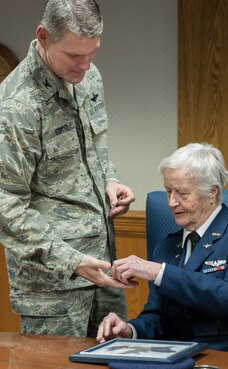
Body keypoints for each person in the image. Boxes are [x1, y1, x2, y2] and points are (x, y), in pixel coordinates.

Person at [0, 0, 137, 337]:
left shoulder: (88, 79)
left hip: (104, 268)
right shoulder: (17, 107)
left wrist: (110, 178)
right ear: (44, 37)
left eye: (92, 53)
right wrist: (72, 261)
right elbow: (7, 206)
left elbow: (95, 145)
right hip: (52, 289)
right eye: (75, 56)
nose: (86, 66)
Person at [97, 143, 228, 355]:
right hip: (177, 356)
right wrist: (130, 330)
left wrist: (159, 272)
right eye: (168, 191)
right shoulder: (167, 246)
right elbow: (157, 318)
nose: (172, 202)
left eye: (182, 193)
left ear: (211, 192)